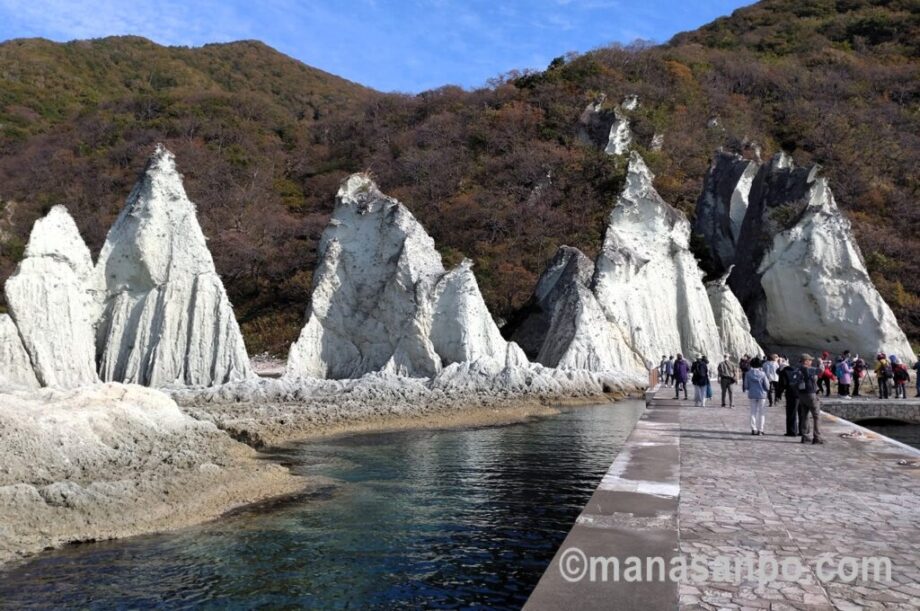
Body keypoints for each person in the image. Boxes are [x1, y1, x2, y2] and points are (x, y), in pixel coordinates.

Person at [798, 354, 824, 445]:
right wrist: (821, 363)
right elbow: (821, 370)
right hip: (810, 394)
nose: (811, 362)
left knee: (805, 416)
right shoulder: (808, 369)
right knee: (816, 416)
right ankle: (817, 437)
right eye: (810, 360)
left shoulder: (798, 369)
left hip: (801, 394)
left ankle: (805, 436)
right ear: (805, 361)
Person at [776, 358, 801, 436]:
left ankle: (792, 431)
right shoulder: (798, 370)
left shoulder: (784, 372)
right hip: (801, 393)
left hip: (791, 394)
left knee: (791, 413)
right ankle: (803, 431)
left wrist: (778, 394)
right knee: (802, 413)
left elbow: (782, 384)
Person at [745, 357, 770, 435]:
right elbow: (767, 386)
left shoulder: (748, 374)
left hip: (752, 394)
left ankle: (753, 429)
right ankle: (761, 430)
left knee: (753, 412)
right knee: (762, 413)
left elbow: (746, 385)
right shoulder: (762, 374)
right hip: (762, 394)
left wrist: (750, 388)